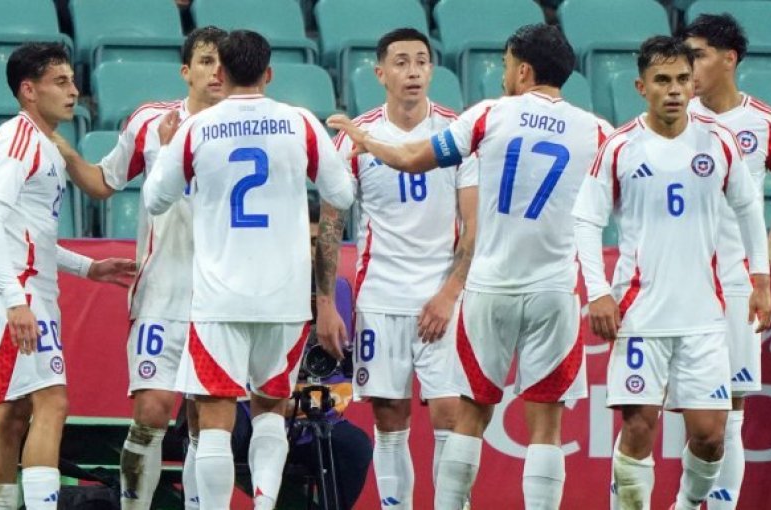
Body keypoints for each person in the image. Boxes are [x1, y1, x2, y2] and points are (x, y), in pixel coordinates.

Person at [329, 23, 610, 510]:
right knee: (544, 423)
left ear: (522, 70)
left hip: (482, 291)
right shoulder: (598, 130)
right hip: (549, 289)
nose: (415, 72)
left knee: (466, 416)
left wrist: (369, 144)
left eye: (504, 65)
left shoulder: (485, 119)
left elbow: (418, 162)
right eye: (402, 62)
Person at [142, 30, 355, 510]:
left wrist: (167, 148)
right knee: (270, 411)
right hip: (283, 296)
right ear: (269, 73)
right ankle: (263, 504)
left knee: (215, 416)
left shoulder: (198, 127)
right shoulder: (299, 122)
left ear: (220, 73)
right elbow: (342, 196)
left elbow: (156, 199)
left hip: (219, 296)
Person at [572, 36, 771, 510]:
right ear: (642, 86)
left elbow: (747, 210)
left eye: (683, 79)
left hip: (704, 316)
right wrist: (598, 292)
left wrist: (760, 280)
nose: (675, 89)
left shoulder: (718, 142)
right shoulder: (620, 147)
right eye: (662, 80)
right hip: (641, 316)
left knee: (710, 436)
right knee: (638, 428)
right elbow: (585, 219)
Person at [53, 26, 227, 510]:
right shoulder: (150, 121)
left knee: (205, 422)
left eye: (224, 63)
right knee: (151, 410)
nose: (217, 71)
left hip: (222, 299)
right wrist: (65, 151)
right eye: (207, 60)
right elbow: (104, 181)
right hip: (162, 293)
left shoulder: (246, 126)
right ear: (186, 70)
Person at [315, 27, 478, 509]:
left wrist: (450, 293)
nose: (413, 71)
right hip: (381, 295)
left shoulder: (457, 132)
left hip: (442, 300)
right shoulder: (354, 140)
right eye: (402, 62)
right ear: (380, 72)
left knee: (451, 413)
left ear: (432, 69)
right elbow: (330, 224)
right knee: (390, 419)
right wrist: (325, 302)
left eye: (421, 61)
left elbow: (474, 225)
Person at [0, 42, 137, 510]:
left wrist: (90, 268)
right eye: (60, 82)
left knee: (12, 412)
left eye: (72, 80)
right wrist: (15, 298)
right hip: (16, 289)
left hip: (23, 286)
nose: (74, 92)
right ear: (29, 90)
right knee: (52, 403)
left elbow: (29, 234)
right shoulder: (20, 141)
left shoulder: (40, 143)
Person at [682, 15, 771, 507]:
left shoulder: (767, 123)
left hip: (735, 284)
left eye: (700, 55)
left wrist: (769, 248)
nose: (690, 67)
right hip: (677, 280)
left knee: (732, 408)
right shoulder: (673, 116)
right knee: (651, 408)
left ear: (730, 59)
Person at [227, 195, 372, 510]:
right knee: (218, 431)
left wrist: (308, 402)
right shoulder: (251, 284)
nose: (314, 252)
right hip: (251, 409)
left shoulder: (342, 293)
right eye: (306, 241)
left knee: (355, 447)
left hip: (313, 415)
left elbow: (344, 376)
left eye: (320, 243)